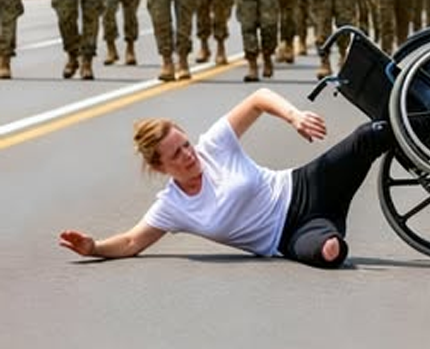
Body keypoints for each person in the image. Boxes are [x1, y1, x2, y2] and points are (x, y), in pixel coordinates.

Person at [57, 87, 394, 269]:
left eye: (185, 144)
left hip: (306, 184)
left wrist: (294, 116)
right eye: (176, 155)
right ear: (160, 168)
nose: (189, 155)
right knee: (330, 253)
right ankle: (327, 236)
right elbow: (132, 242)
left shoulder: (214, 145)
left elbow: (258, 98)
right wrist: (93, 247)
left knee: (370, 135)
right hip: (289, 236)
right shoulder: (172, 206)